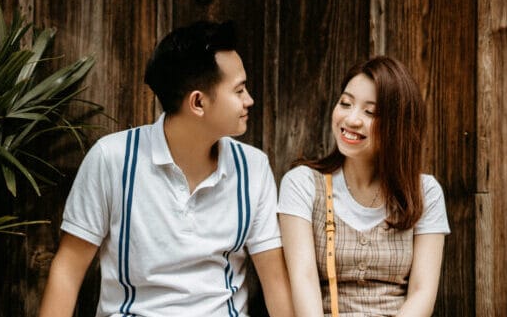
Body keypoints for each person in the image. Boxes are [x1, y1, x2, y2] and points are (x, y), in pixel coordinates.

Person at [39, 21, 293, 317]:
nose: (249, 100)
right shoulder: (112, 159)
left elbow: (275, 281)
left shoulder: (253, 167)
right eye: (239, 90)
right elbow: (68, 270)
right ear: (198, 102)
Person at [278, 56, 450, 316]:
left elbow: (422, 293)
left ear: (398, 125)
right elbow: (304, 281)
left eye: (370, 112)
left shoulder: (425, 192)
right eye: (345, 103)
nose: (352, 119)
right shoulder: (302, 184)